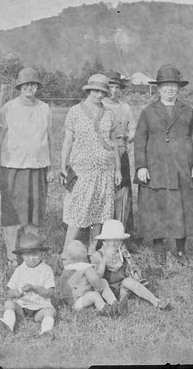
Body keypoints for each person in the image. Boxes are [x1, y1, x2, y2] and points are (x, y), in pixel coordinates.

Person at [133, 64, 193, 266]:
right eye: (165, 85)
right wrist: (141, 166)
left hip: (182, 169)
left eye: (173, 86)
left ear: (178, 88)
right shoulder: (148, 112)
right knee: (157, 208)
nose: (169, 89)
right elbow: (140, 140)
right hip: (155, 168)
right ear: (158, 88)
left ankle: (180, 251)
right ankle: (159, 250)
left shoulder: (189, 111)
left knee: (180, 208)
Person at [0, 67, 54, 267]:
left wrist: (52, 165)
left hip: (38, 167)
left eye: (34, 84)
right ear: (19, 87)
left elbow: (49, 139)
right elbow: (0, 137)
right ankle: (12, 255)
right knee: (12, 214)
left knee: (34, 213)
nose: (30, 88)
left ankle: (31, 254)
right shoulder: (8, 108)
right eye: (26, 85)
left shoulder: (45, 108)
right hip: (12, 167)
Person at [60, 74, 121, 255]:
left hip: (105, 171)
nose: (99, 95)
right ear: (88, 91)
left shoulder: (109, 114)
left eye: (103, 92)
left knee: (100, 213)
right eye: (95, 91)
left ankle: (92, 252)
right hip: (83, 171)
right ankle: (66, 254)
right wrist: (63, 165)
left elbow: (114, 143)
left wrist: (118, 169)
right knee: (78, 212)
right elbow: (67, 141)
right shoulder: (75, 111)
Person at [91, 220, 170, 315]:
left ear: (121, 240)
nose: (113, 243)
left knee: (128, 281)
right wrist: (105, 258)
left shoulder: (122, 252)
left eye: (117, 240)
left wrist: (134, 270)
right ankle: (114, 305)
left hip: (121, 289)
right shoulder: (98, 255)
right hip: (107, 292)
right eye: (110, 240)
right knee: (103, 282)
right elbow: (97, 278)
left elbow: (132, 265)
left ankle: (156, 301)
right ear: (104, 240)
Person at [0, 233, 56, 340]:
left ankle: (46, 332)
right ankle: (8, 325)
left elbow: (49, 293)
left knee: (50, 311)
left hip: (39, 309)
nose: (31, 258)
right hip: (22, 307)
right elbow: (10, 291)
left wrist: (34, 288)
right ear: (21, 256)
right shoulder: (20, 270)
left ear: (41, 254)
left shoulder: (46, 270)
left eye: (35, 254)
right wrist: (16, 293)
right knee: (9, 303)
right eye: (27, 255)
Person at [102, 71, 136, 234]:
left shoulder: (125, 107)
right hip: (103, 154)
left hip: (121, 151)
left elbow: (133, 129)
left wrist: (127, 137)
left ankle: (123, 231)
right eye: (110, 87)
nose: (114, 91)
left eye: (117, 87)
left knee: (123, 191)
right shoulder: (99, 105)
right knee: (104, 192)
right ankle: (101, 232)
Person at [59, 240, 121, 317]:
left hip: (68, 301)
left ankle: (114, 304)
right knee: (95, 293)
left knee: (101, 283)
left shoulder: (67, 269)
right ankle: (107, 309)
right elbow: (97, 283)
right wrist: (103, 262)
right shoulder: (85, 268)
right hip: (78, 302)